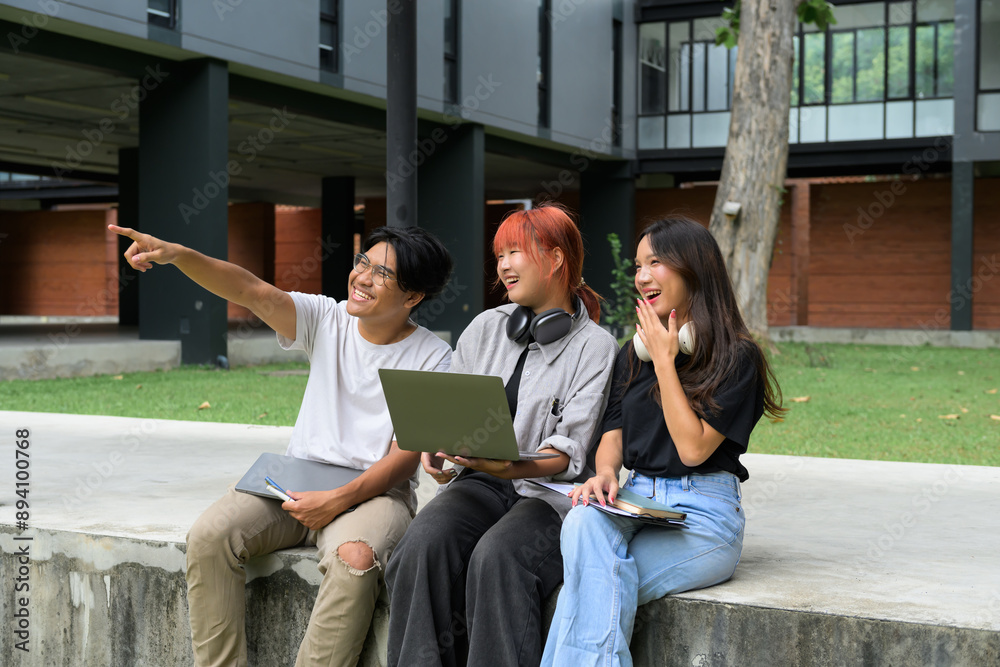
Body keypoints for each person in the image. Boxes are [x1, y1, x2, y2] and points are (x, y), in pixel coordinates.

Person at [110, 223, 454, 667]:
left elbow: (403, 459)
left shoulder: (433, 357)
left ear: (413, 297)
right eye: (363, 262)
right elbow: (251, 290)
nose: (363, 277)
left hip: (374, 493)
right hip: (297, 476)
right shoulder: (326, 319)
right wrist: (178, 255)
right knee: (210, 536)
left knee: (355, 560)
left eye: (383, 274)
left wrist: (337, 501)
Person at [541, 216, 785, 667]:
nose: (642, 276)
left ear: (694, 268)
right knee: (581, 523)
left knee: (593, 585)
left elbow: (693, 448)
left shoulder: (737, 356)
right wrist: (606, 473)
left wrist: (666, 363)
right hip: (634, 498)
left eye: (656, 262)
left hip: (704, 516)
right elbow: (612, 432)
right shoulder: (631, 355)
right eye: (638, 265)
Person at [384, 204, 619, 667]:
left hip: (550, 497)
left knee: (498, 558)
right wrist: (435, 443)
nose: (503, 266)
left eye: (515, 252)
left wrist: (510, 467)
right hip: (480, 483)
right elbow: (450, 404)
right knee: (420, 545)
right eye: (499, 255)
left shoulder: (596, 348)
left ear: (555, 259)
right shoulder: (486, 328)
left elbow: (566, 454)